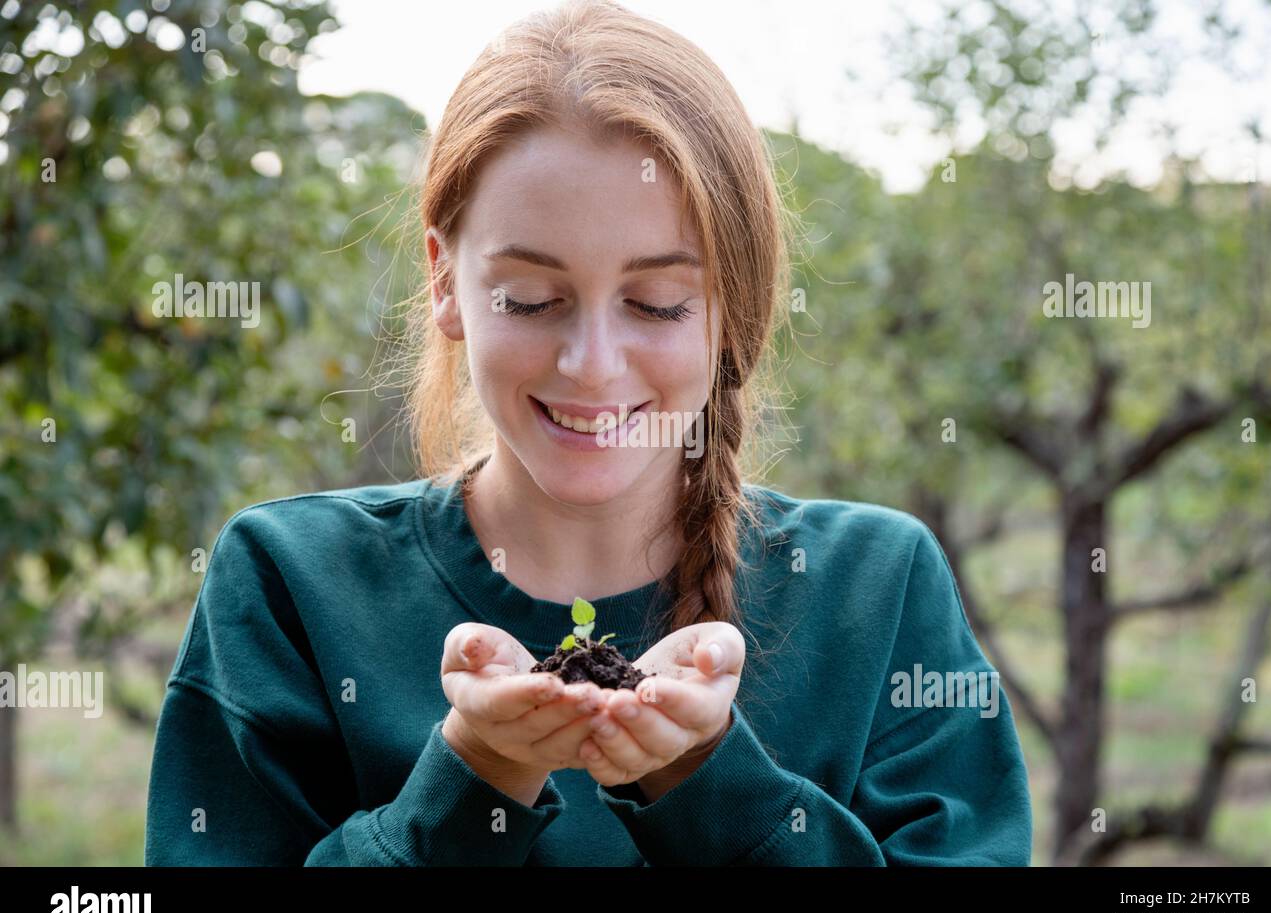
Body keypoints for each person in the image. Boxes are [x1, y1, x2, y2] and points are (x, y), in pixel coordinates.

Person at [144, 0, 1032, 866]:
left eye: (657, 303)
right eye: (532, 299)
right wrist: (474, 780)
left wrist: (707, 781)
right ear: (446, 282)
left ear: (734, 306)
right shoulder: (286, 584)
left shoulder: (879, 591)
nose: (593, 364)